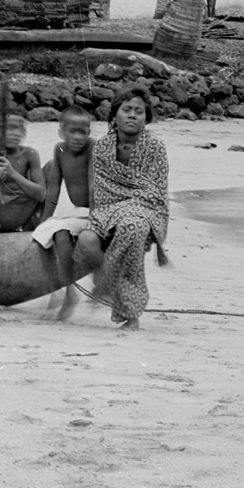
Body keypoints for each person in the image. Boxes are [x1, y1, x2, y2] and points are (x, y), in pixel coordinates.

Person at [85, 94, 173, 330]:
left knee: (132, 227)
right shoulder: (102, 147)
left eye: (139, 111)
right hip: (107, 210)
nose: (132, 115)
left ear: (146, 119)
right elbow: (100, 188)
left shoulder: (155, 147)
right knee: (86, 239)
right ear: (114, 116)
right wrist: (98, 216)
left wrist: (128, 210)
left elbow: (154, 191)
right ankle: (108, 287)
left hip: (147, 210)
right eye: (127, 109)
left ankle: (127, 310)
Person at [29, 108, 102, 320]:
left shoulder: (92, 147)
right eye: (73, 131)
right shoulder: (59, 150)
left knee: (61, 231)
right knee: (47, 234)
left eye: (83, 132)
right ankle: (61, 290)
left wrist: (96, 219)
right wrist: (43, 221)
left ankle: (76, 290)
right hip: (79, 211)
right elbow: (54, 189)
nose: (79, 137)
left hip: (96, 209)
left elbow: (92, 183)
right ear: (62, 132)